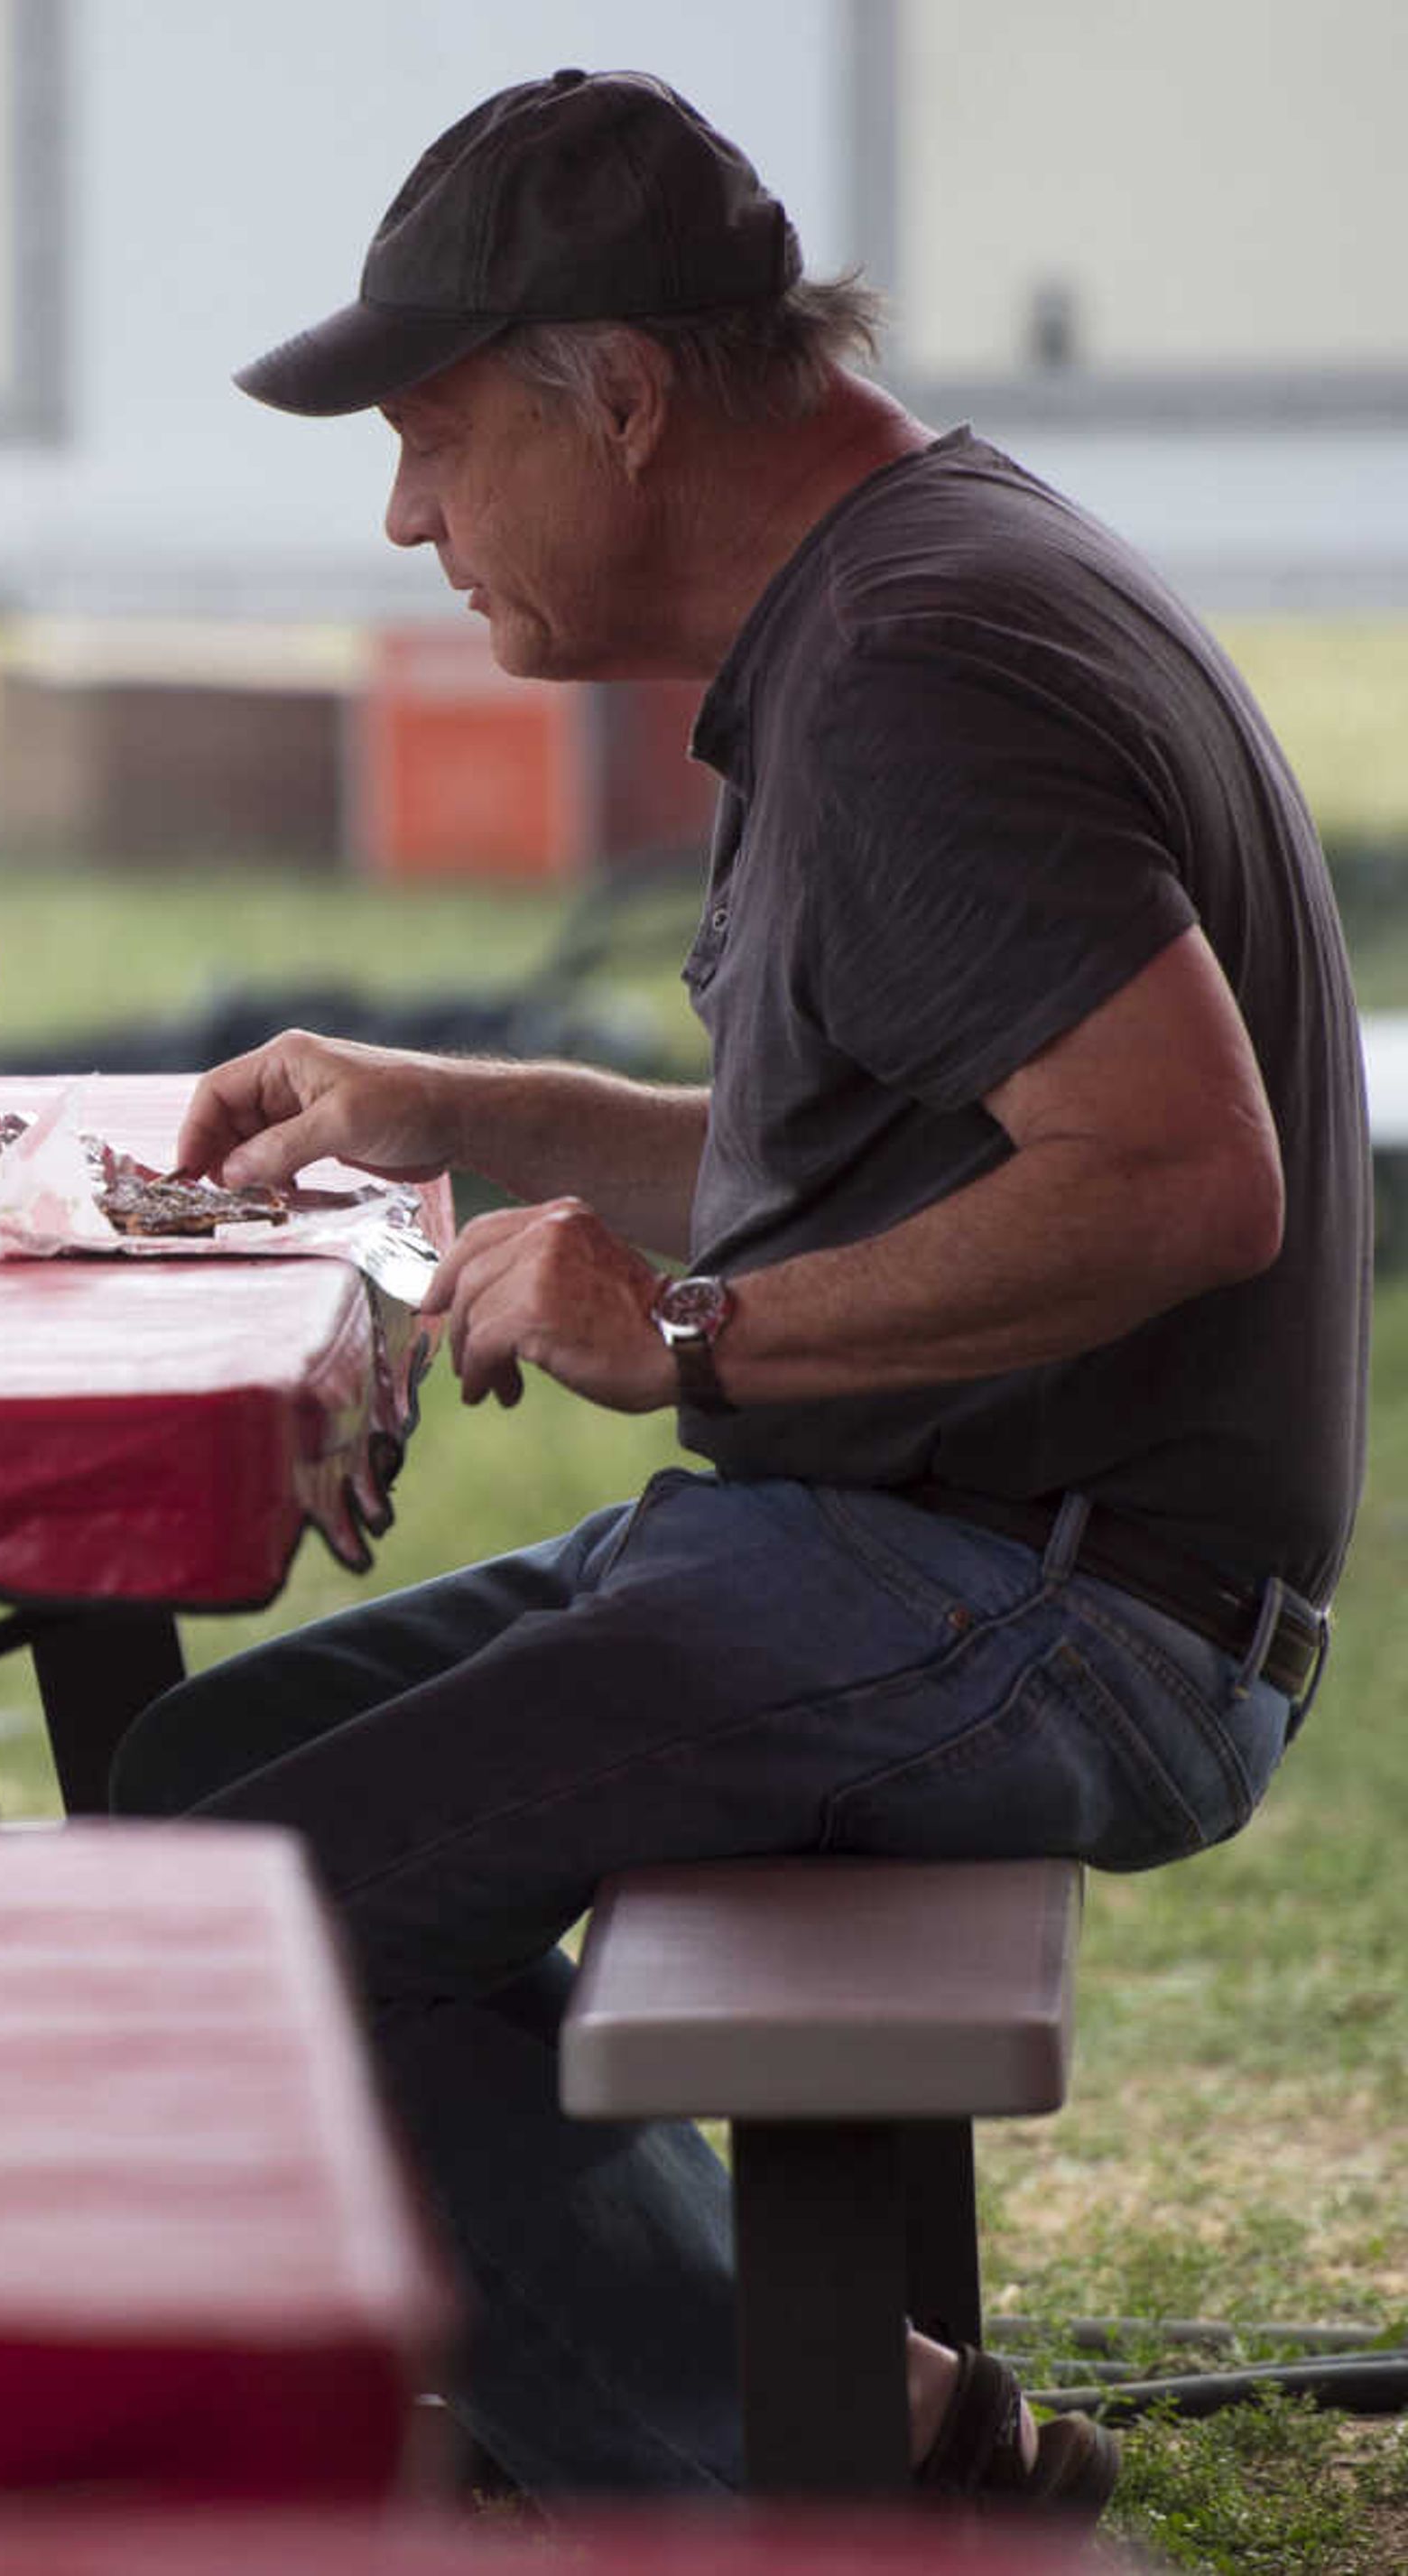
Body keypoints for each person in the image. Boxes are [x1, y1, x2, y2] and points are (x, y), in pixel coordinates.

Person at [110, 70, 1364, 2515]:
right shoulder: (907, 586)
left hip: (1062, 1598)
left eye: (435, 436)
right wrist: (468, 1105)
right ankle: (717, 2400)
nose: (405, 514)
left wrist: (682, 1336)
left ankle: (819, 2473)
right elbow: (911, 1158)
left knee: (260, 1910)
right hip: (939, 1543)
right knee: (187, 1808)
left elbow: (1187, 1181)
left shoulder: (921, 668)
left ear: (627, 393)